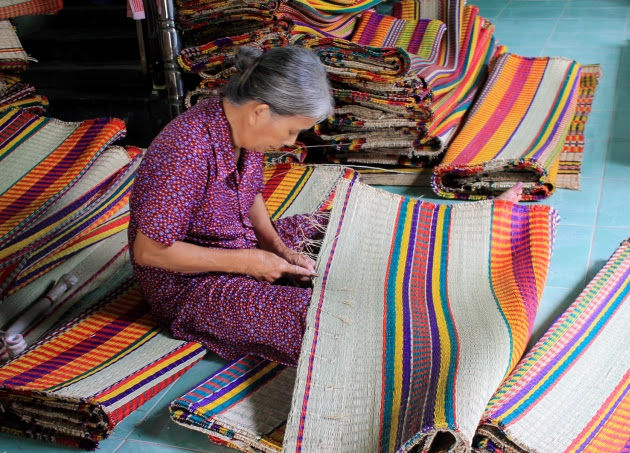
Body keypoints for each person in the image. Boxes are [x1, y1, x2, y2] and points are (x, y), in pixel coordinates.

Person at [128, 45, 523, 367]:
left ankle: (466, 230)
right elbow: (150, 252)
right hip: (191, 287)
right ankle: (423, 338)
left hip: (241, 248)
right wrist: (248, 262)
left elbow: (249, 196)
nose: (290, 142)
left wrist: (275, 248)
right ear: (260, 111)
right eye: (291, 130)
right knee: (326, 322)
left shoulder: (239, 129)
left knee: (352, 223)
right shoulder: (186, 149)